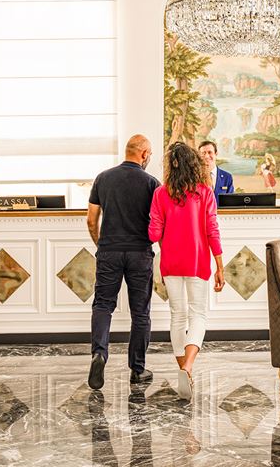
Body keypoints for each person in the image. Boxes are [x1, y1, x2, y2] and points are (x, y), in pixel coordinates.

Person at [149, 142, 225, 400]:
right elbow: (212, 230)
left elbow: (153, 234)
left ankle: (183, 371)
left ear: (171, 165)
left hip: (170, 262)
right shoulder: (205, 192)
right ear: (194, 163)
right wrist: (220, 266)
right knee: (198, 315)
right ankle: (189, 367)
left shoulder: (160, 194)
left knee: (177, 316)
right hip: (198, 261)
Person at [87, 134, 159, 390]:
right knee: (140, 312)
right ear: (144, 154)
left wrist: (101, 244)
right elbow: (158, 222)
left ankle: (99, 353)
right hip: (140, 252)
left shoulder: (103, 178)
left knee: (103, 305)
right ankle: (137, 370)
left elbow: (91, 219)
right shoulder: (152, 183)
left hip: (109, 251)